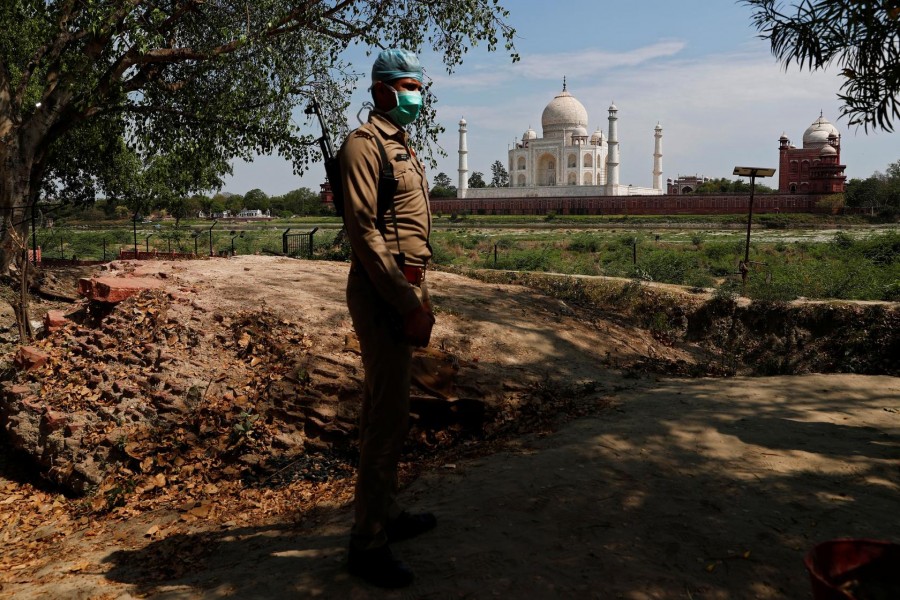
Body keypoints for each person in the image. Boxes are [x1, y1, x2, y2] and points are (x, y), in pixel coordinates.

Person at [340, 48, 437, 588]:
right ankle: (367, 543)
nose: (415, 95)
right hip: (384, 292)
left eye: (418, 86)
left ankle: (387, 514)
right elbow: (364, 233)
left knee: (387, 410)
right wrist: (407, 303)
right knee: (387, 418)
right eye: (407, 86)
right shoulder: (364, 146)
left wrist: (420, 294)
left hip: (406, 285)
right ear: (381, 91)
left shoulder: (400, 145)